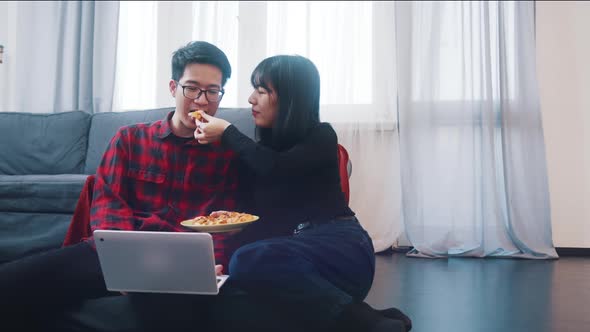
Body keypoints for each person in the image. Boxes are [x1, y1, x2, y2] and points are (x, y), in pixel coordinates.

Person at [0, 40, 240, 330]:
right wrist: (127, 269)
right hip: (114, 256)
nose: (202, 100)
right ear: (173, 88)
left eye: (212, 91)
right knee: (12, 284)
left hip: (183, 267)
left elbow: (225, 226)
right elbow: (108, 206)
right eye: (192, 88)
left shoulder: (229, 154)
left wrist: (208, 268)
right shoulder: (130, 139)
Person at [194, 55, 412, 332]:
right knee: (239, 273)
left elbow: (277, 169)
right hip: (292, 263)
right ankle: (364, 315)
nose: (251, 99)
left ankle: (365, 323)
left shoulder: (320, 136)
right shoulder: (255, 150)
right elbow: (253, 216)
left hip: (340, 247)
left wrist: (228, 133)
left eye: (261, 91)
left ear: (290, 98)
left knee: (248, 260)